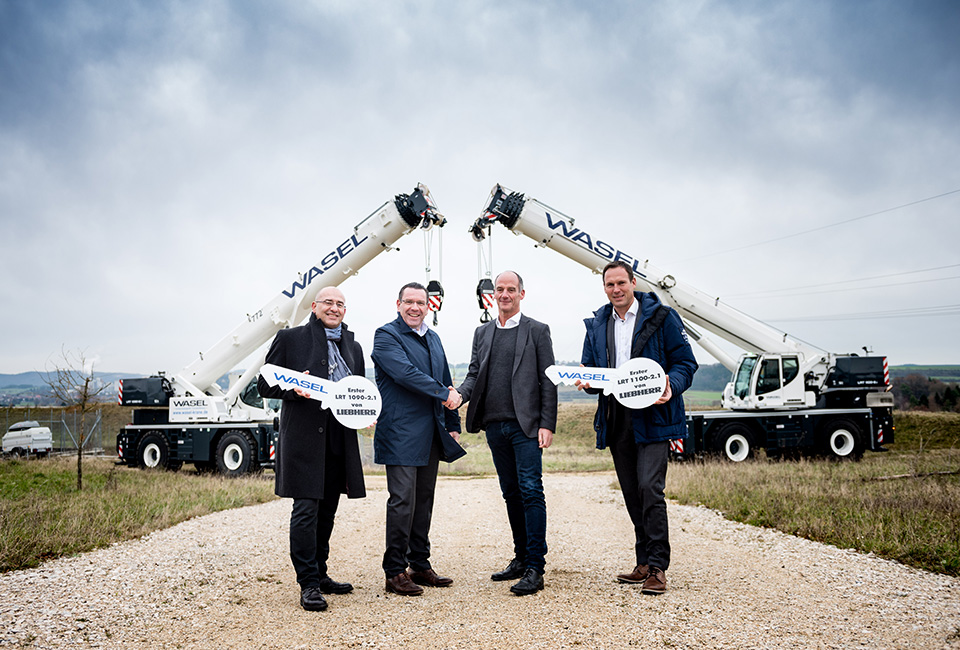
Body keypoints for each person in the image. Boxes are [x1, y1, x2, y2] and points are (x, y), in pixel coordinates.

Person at [578, 260, 697, 595]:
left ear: (633, 282)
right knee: (632, 492)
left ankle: (658, 568)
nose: (616, 289)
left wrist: (671, 385)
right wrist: (587, 381)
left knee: (649, 488)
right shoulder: (597, 323)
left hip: (654, 415)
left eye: (621, 283)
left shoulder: (662, 317)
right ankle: (642, 562)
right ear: (604, 288)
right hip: (617, 417)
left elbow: (686, 363)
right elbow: (593, 371)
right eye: (609, 284)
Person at [257, 286, 367, 612]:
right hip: (304, 439)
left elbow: (357, 391)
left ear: (345, 310)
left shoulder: (353, 346)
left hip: (338, 439)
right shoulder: (290, 339)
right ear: (315, 306)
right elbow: (264, 384)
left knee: (327, 511)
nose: (334, 308)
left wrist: (364, 414)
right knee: (306, 510)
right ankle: (308, 584)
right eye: (328, 302)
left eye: (340, 304)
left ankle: (320, 572)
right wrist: (294, 388)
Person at [457, 270, 557, 596]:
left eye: (511, 289)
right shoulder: (482, 333)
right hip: (494, 425)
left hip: (525, 426)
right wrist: (459, 395)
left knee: (531, 491)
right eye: (499, 289)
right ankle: (521, 558)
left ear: (521, 294)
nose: (504, 294)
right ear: (493, 294)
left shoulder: (537, 331)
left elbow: (548, 379)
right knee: (511, 493)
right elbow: (474, 374)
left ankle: (535, 567)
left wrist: (547, 423)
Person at [371, 281, 465, 597]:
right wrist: (444, 394)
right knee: (402, 501)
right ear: (398, 304)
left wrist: (452, 421)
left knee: (424, 500)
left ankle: (420, 565)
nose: (415, 307)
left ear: (428, 306)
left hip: (432, 431)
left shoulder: (433, 338)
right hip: (400, 431)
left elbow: (445, 380)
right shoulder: (386, 336)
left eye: (420, 302)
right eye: (408, 302)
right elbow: (404, 373)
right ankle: (394, 571)